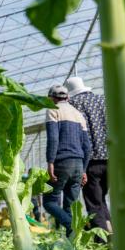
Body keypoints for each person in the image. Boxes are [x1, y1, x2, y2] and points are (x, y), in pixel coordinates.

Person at [44, 83, 92, 236]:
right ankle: (73, 243)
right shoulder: (78, 115)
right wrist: (84, 169)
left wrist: (50, 162)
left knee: (49, 202)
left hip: (61, 162)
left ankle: (72, 227)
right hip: (78, 164)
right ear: (68, 97)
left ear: (51, 98)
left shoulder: (53, 110)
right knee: (70, 207)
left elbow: (53, 138)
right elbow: (87, 146)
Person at [66, 76, 111, 232]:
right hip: (110, 157)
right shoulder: (102, 100)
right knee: (101, 199)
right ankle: (112, 234)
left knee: (93, 202)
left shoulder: (72, 105)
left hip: (89, 162)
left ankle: (102, 242)